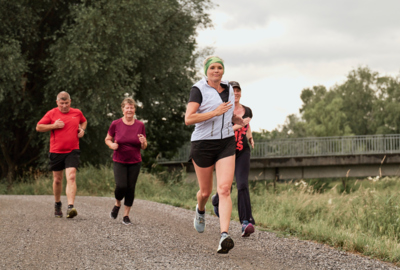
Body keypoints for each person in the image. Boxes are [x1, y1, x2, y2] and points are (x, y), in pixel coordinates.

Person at [185, 55, 250, 254]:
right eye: (212, 67)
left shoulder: (229, 89)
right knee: (205, 192)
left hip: (225, 143)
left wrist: (235, 118)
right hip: (203, 144)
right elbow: (189, 118)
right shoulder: (198, 89)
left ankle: (224, 235)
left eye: (219, 68)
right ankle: (200, 209)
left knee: (224, 189)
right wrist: (215, 112)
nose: (216, 71)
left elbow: (226, 112)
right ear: (206, 70)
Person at [211, 81, 256, 238]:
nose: (236, 93)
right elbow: (221, 130)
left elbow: (247, 126)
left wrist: (250, 137)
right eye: (233, 90)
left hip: (242, 151)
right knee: (226, 188)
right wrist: (239, 125)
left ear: (240, 93)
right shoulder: (222, 110)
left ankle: (246, 222)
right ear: (228, 93)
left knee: (242, 184)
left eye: (238, 90)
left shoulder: (247, 110)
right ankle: (217, 200)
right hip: (226, 151)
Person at [36, 91, 87, 219]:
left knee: (71, 176)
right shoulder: (52, 113)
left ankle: (70, 207)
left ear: (70, 102)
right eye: (61, 103)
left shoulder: (77, 113)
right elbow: (38, 127)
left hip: (72, 150)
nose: (64, 106)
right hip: (56, 151)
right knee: (58, 180)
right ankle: (58, 204)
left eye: (66, 103)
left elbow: (84, 121)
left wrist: (82, 130)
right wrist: (54, 125)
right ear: (57, 102)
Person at [105, 97, 147, 225]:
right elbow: (107, 138)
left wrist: (144, 142)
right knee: (121, 186)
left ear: (134, 110)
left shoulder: (140, 125)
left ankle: (126, 215)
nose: (129, 110)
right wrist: (112, 145)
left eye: (132, 107)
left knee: (130, 188)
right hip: (119, 160)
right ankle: (117, 203)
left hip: (135, 161)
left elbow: (144, 146)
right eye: (127, 107)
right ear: (123, 109)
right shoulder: (116, 124)